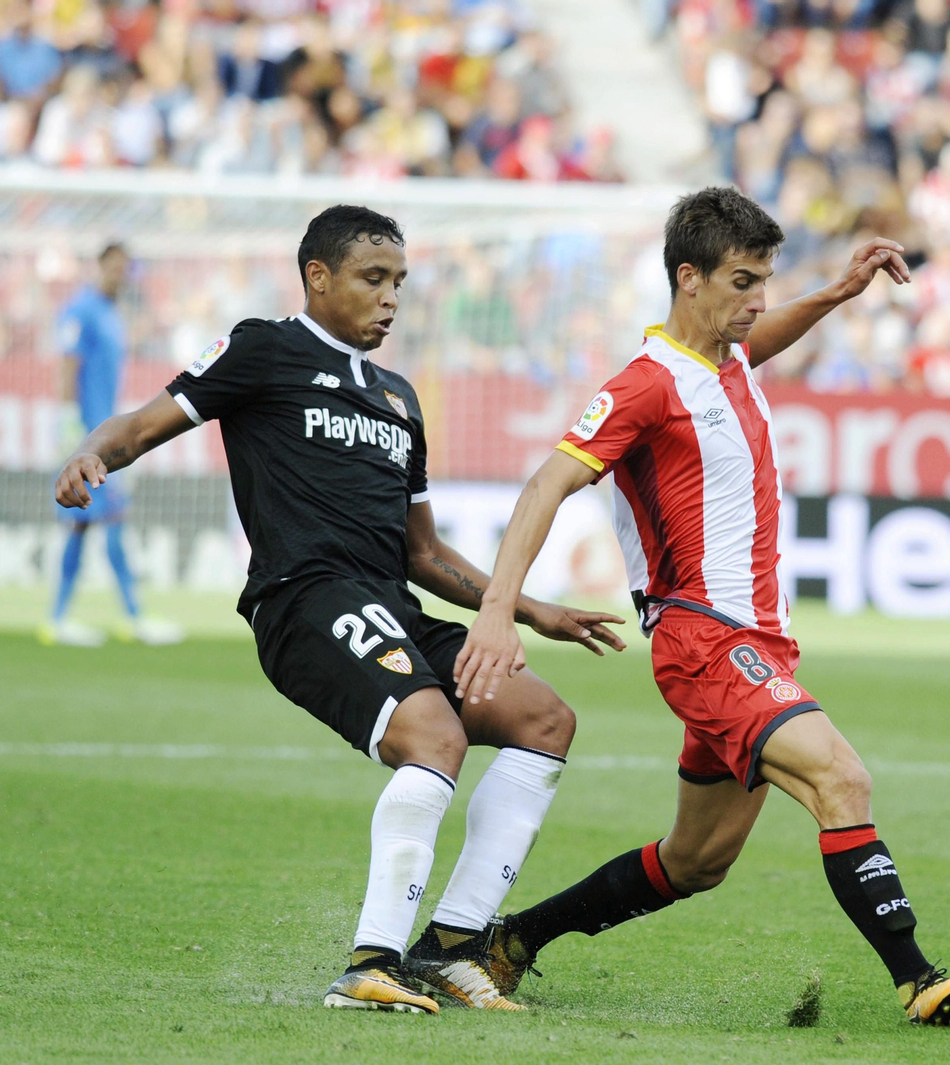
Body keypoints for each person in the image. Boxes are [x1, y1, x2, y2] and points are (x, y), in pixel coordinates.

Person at [53, 205, 625, 1015]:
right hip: (305, 600)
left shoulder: (399, 397)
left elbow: (421, 554)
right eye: (373, 278)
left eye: (399, 282)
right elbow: (145, 423)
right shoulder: (264, 350)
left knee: (544, 719)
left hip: (389, 603)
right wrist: (91, 453)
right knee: (436, 734)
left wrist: (530, 609)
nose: (391, 298)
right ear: (317, 277)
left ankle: (451, 946)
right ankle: (368, 963)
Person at [453, 187, 950, 1025]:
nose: (759, 300)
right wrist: (497, 608)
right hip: (705, 640)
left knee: (697, 860)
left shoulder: (726, 357)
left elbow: (759, 337)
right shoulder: (644, 385)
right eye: (743, 282)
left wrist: (837, 294)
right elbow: (548, 482)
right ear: (687, 278)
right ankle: (920, 979)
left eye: (766, 279)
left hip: (757, 644)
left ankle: (511, 942)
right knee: (843, 779)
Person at [44, 243, 182, 648]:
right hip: (86, 439)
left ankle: (59, 618)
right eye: (117, 267)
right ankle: (132, 617)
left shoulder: (110, 314)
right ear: (102, 265)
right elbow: (68, 365)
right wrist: (69, 421)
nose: (122, 275)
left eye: (128, 269)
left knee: (84, 524)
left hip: (101, 435)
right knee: (107, 520)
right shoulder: (81, 309)